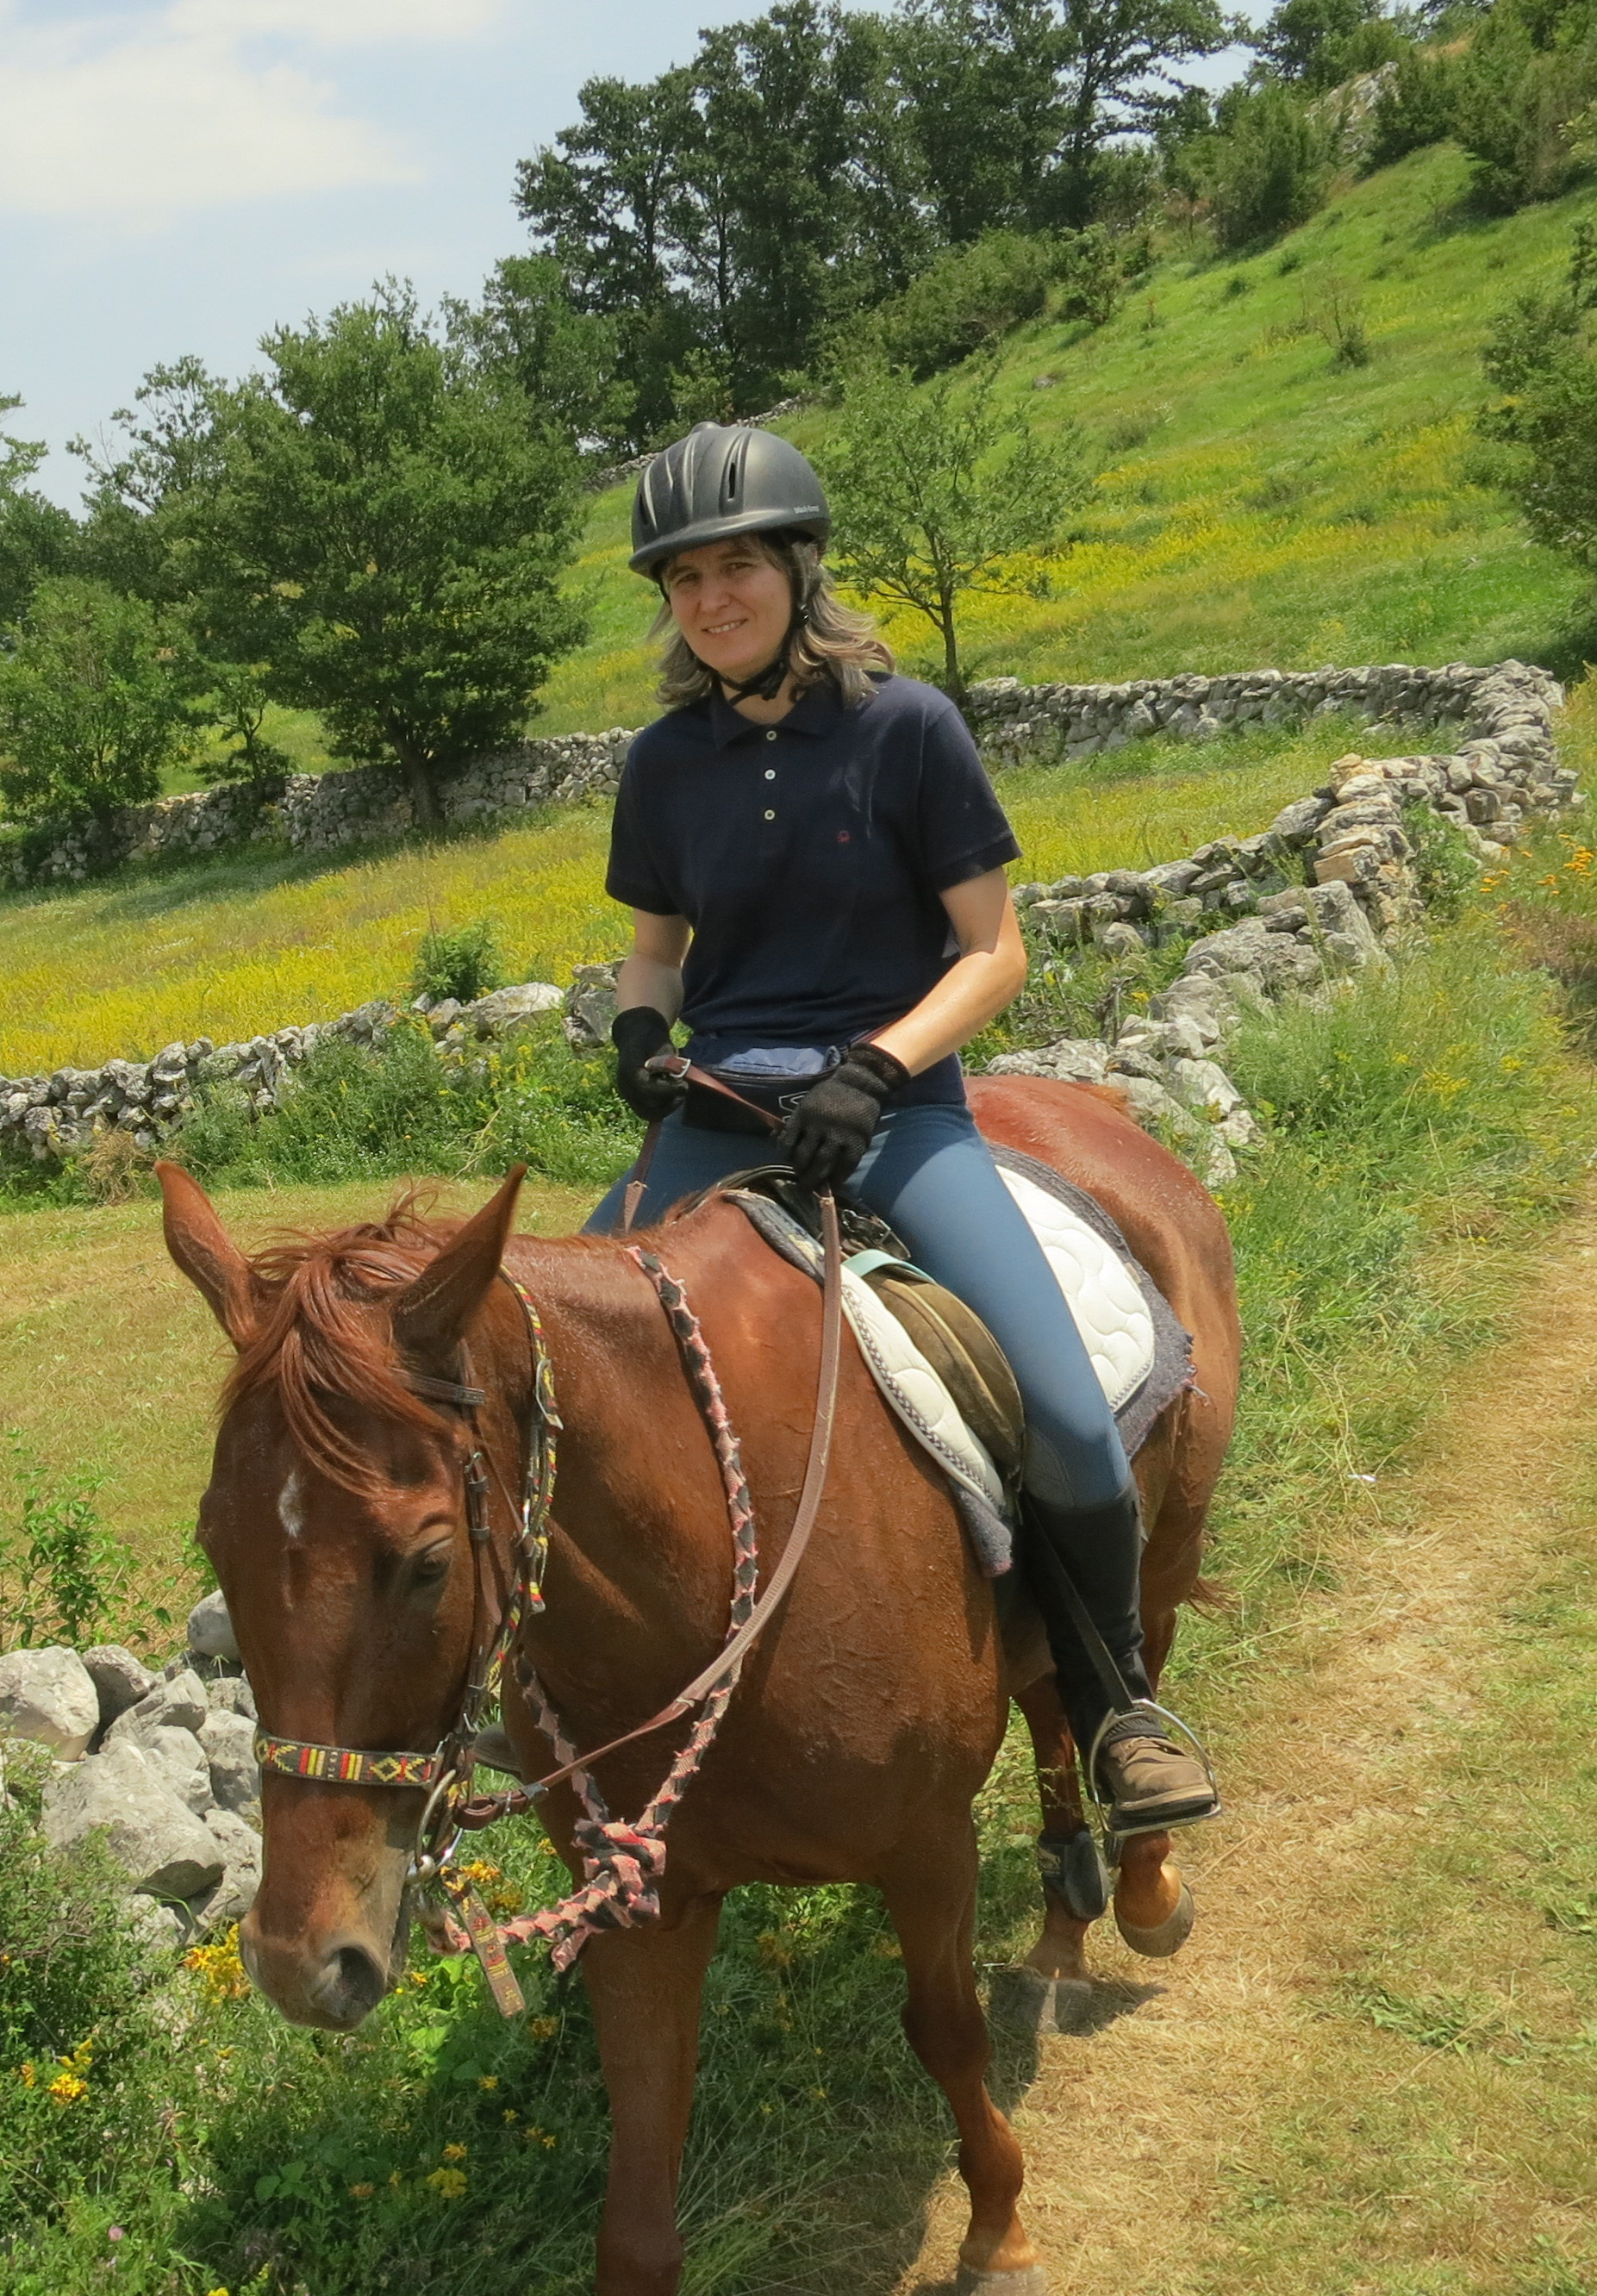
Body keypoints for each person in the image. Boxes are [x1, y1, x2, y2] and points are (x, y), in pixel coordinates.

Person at [584, 420, 1219, 1834]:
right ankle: (565, 1728)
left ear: (800, 570)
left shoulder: (907, 728)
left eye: (736, 566)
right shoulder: (663, 762)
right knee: (550, 1387)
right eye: (683, 581)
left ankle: (1119, 1701)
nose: (709, 601)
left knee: (1063, 1409)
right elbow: (654, 950)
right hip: (723, 1111)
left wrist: (876, 1065)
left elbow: (994, 951)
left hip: (894, 1114)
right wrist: (642, 1029)